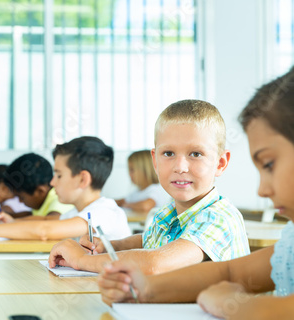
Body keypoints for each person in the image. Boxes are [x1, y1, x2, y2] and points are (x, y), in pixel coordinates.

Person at [97, 69, 294, 319]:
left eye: (269, 164)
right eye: (168, 154)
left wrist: (231, 303)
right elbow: (230, 274)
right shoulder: (291, 243)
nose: (262, 190)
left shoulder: (219, 215)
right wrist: (144, 289)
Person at [48, 100, 250, 274]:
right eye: (168, 153)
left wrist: (82, 261)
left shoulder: (219, 218)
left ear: (220, 163)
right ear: (155, 160)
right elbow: (148, 241)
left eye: (196, 154)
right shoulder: (169, 212)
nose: (180, 167)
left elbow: (155, 263)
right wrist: (113, 246)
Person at [0, 137, 131, 240]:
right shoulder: (78, 213)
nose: (52, 183)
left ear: (82, 179)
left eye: (59, 175)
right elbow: (41, 220)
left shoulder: (103, 213)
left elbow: (44, 229)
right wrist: (8, 223)